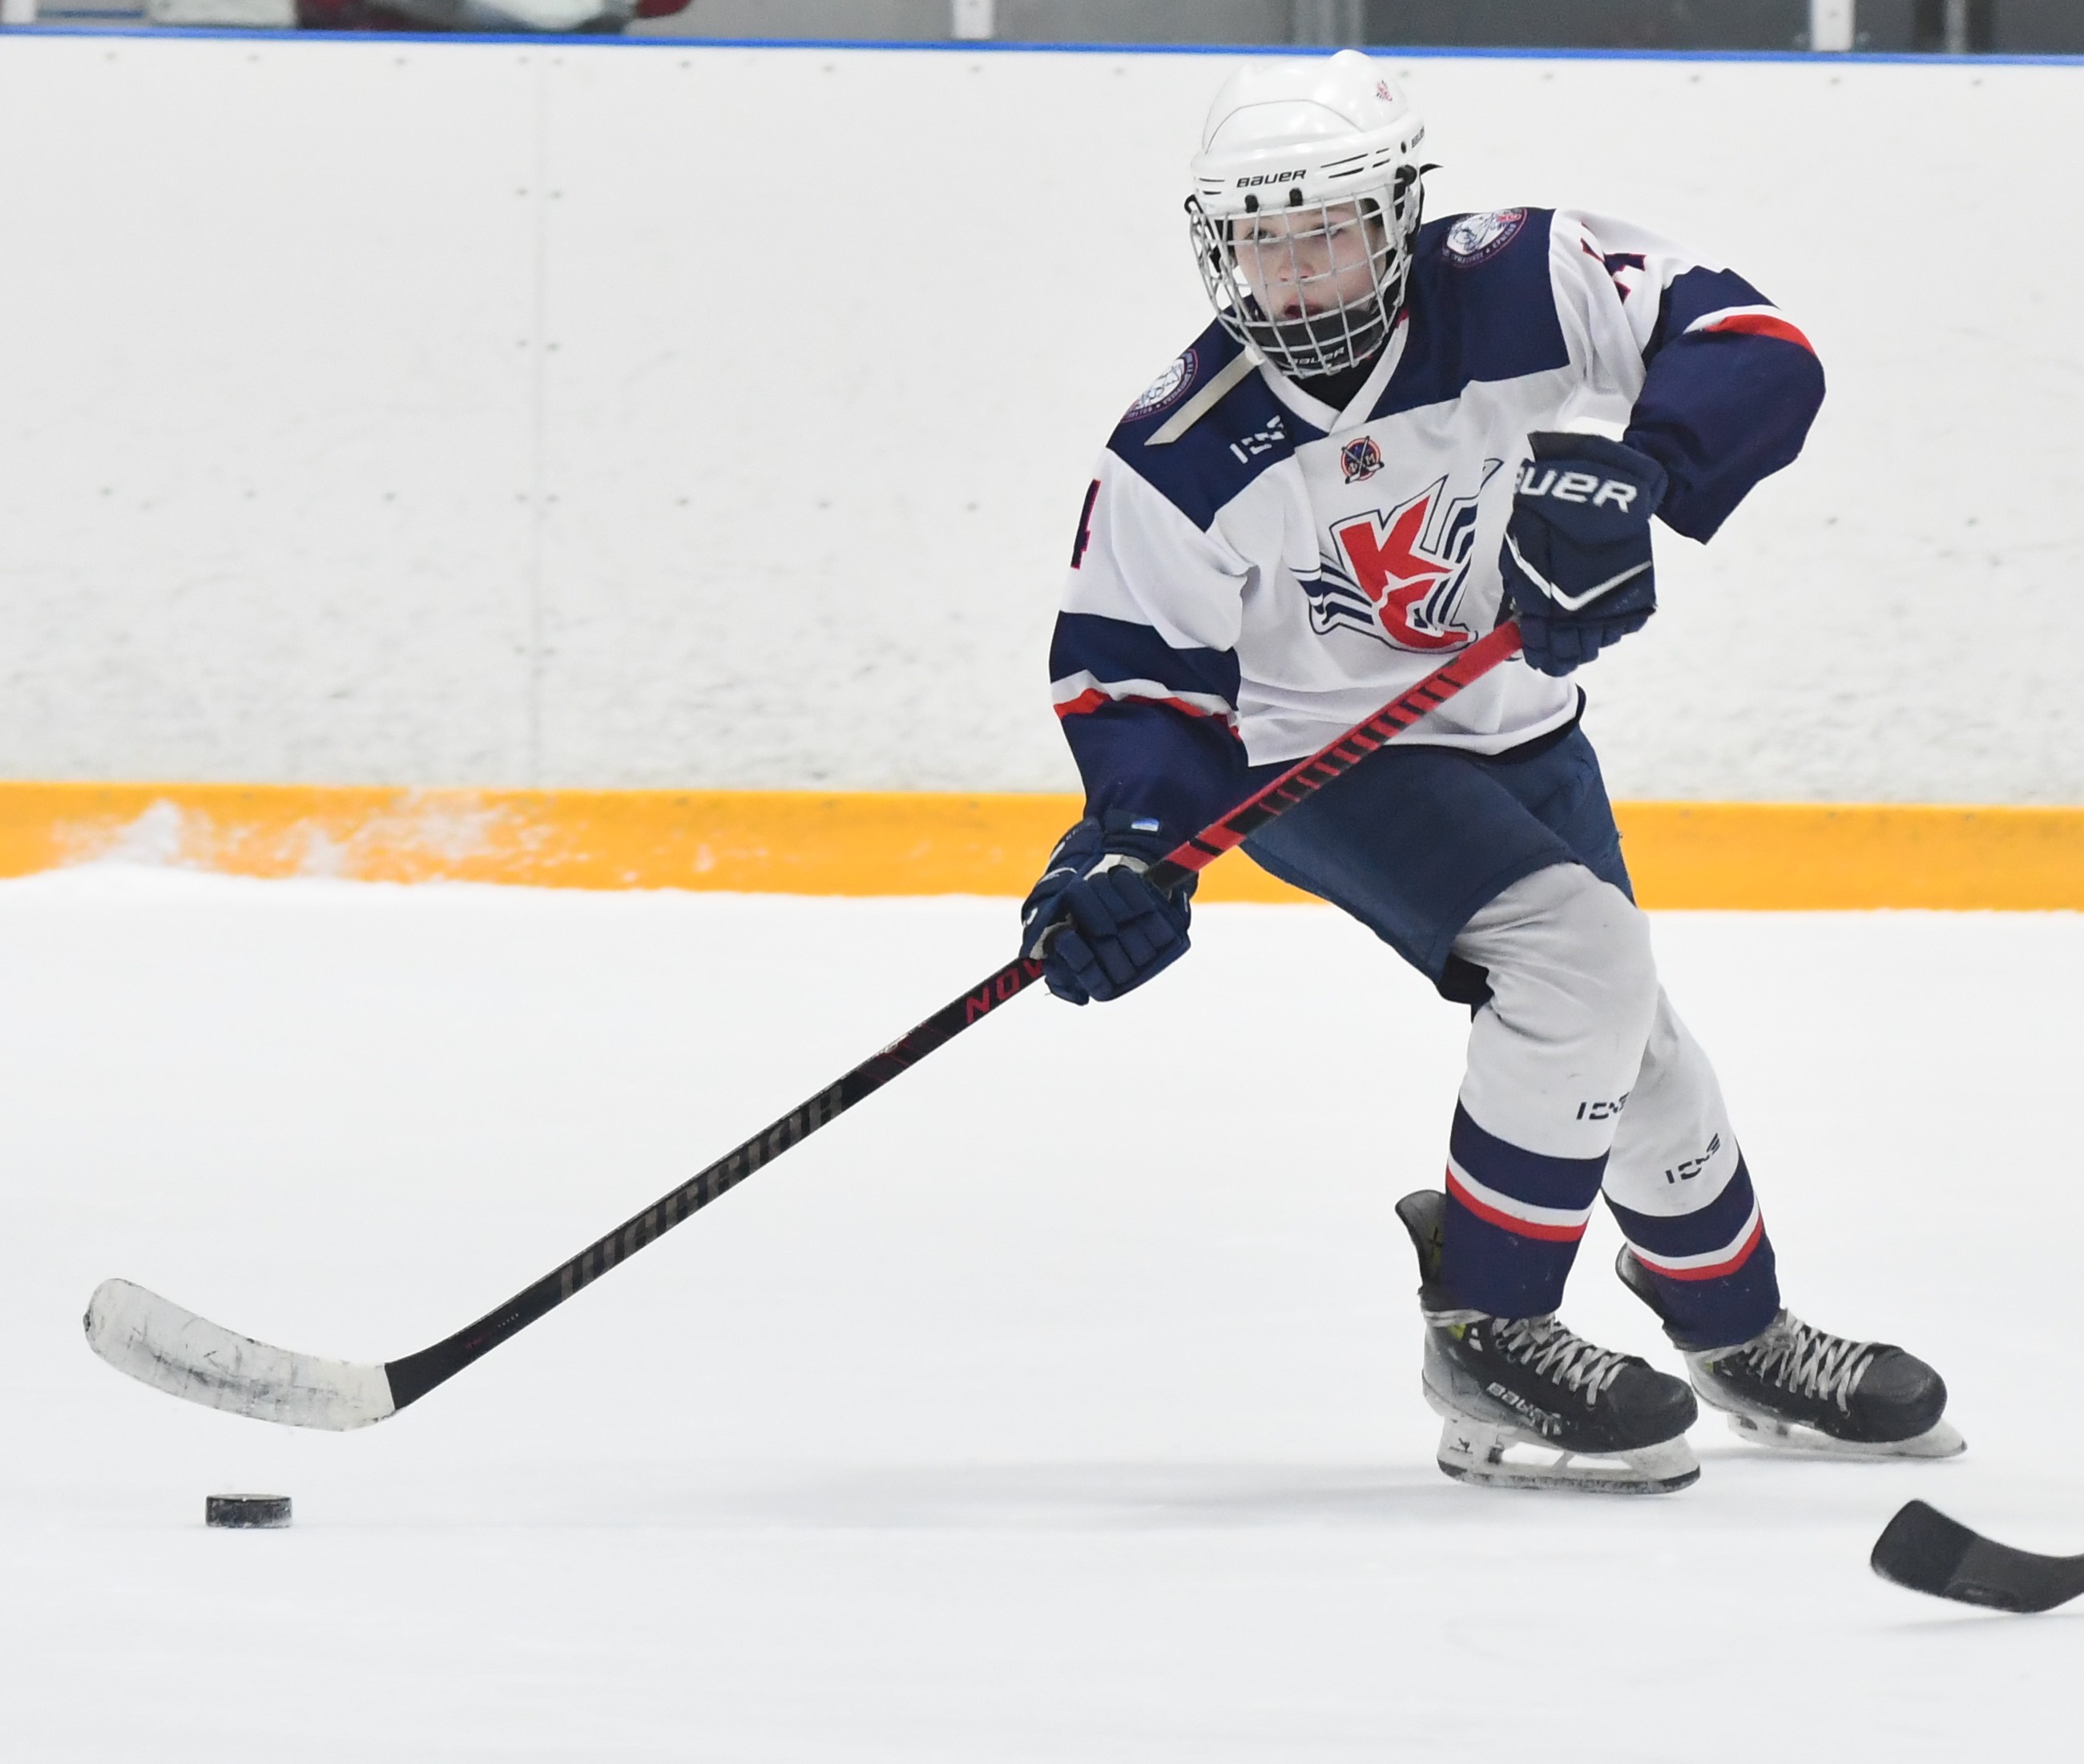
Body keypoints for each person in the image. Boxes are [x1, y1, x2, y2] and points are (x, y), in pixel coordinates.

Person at [1019, 50, 1960, 1493]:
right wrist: (1128, 839)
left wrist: (1643, 467)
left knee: (1620, 1034)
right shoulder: (1179, 449)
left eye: (1326, 229)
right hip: (1329, 759)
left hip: (1523, 726)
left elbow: (1759, 344)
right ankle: (1486, 1331)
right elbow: (1132, 673)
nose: (1299, 277)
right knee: (1580, 964)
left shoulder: (1524, 277)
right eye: (1260, 243)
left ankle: (1738, 1334)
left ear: (1400, 213)